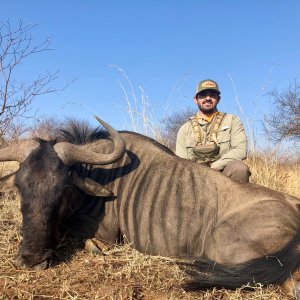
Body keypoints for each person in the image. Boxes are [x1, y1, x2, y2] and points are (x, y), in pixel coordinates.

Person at [175, 79, 251, 183]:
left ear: (218, 99)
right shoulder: (184, 129)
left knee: (240, 169)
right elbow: (181, 162)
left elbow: (240, 150)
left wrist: (215, 166)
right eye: (203, 95)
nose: (208, 98)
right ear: (195, 99)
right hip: (195, 179)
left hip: (224, 175)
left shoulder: (232, 120)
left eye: (212, 95)